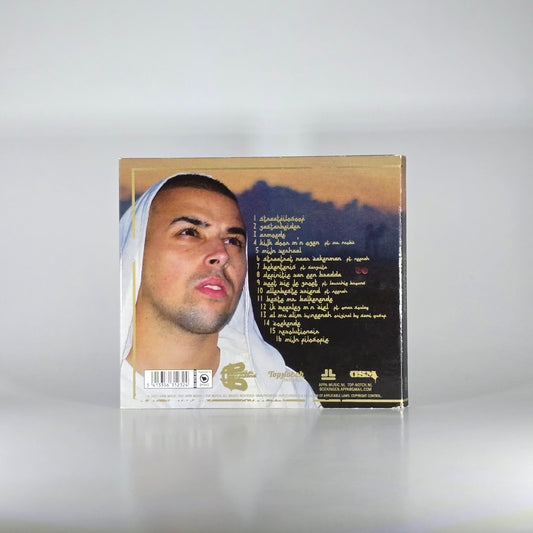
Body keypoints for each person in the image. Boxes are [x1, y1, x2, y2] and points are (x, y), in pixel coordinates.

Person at [120, 173, 320, 408]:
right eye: (189, 233)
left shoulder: (287, 399)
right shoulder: (94, 392)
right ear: (135, 252)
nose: (222, 254)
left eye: (233, 241)